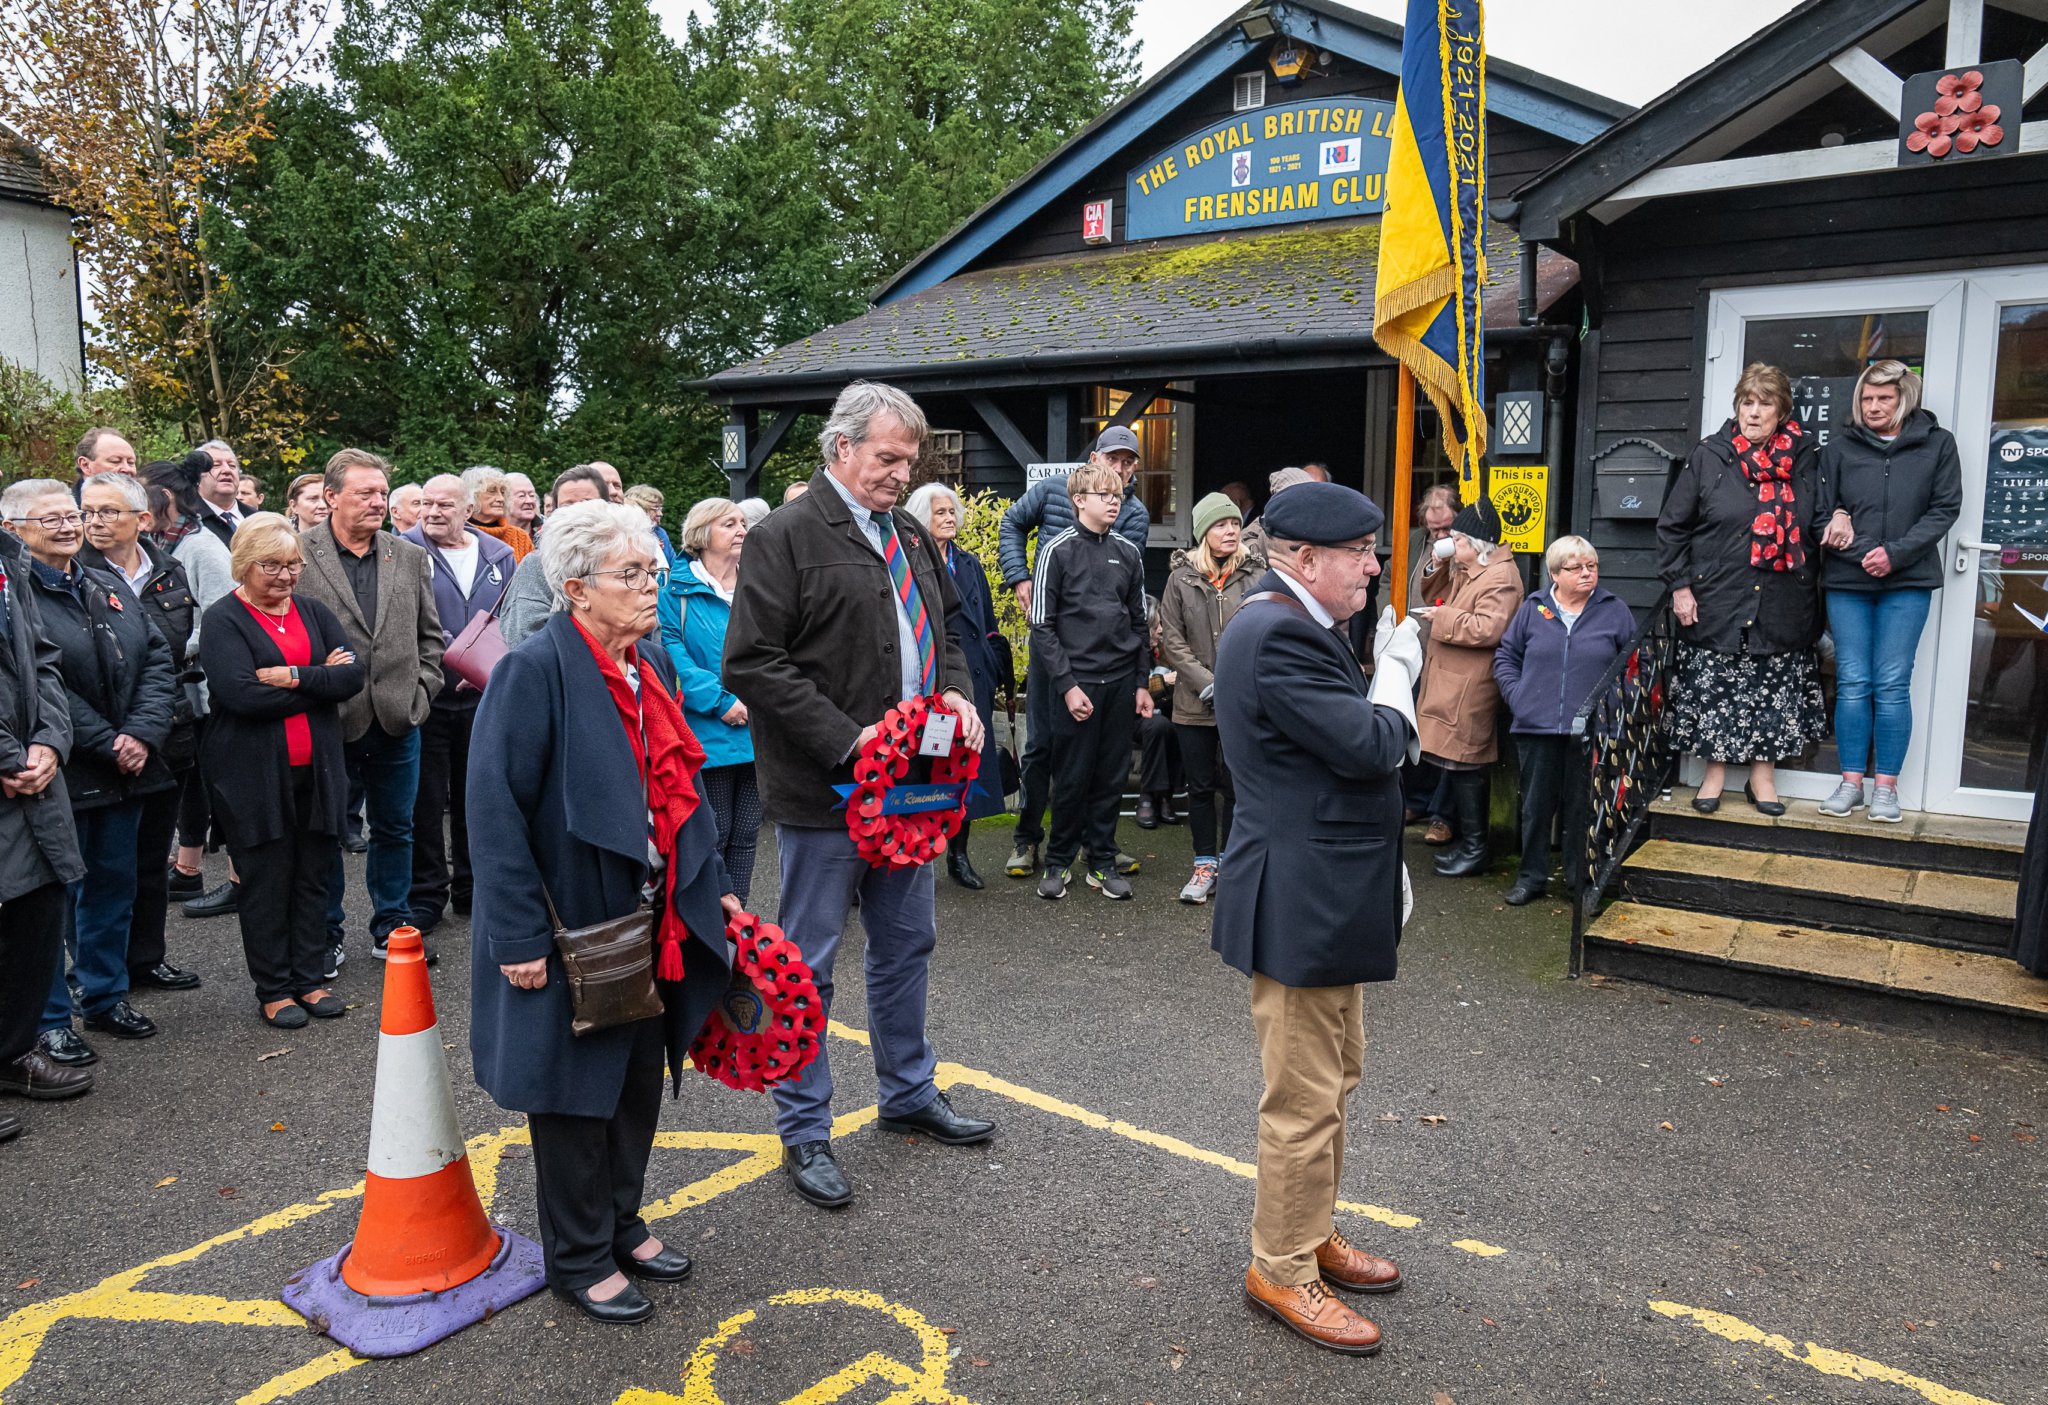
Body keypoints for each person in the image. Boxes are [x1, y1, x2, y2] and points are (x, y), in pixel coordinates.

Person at [725, 380, 995, 1210]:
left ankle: (908, 1091)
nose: (901, 473)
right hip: (823, 794)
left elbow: (945, 630)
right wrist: (852, 740)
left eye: (909, 460)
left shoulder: (907, 530)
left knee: (907, 942)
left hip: (911, 794)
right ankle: (805, 1128)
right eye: (888, 457)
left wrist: (955, 692)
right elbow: (752, 663)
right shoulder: (785, 535)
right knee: (806, 965)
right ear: (840, 448)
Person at [468, 500, 738, 1324]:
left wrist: (714, 881)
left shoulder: (646, 656)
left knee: (634, 1085)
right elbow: (494, 808)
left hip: (650, 921)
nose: (652, 585)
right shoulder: (535, 668)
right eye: (633, 574)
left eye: (652, 570)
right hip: (571, 924)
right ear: (577, 587)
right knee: (573, 1096)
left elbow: (681, 788)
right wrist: (516, 935)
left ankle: (622, 1221)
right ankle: (579, 1256)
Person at [1210, 481, 1421, 1357]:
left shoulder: (1297, 623)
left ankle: (1311, 1228)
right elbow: (1373, 745)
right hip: (1300, 895)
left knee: (1334, 1080)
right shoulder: (1277, 633)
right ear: (1302, 559)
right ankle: (1282, 1264)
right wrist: (1400, 669)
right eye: (1361, 553)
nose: (1375, 566)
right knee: (1302, 1099)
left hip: (1325, 889)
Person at [3, 479, 176, 1066]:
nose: (68, 525)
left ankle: (104, 995)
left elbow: (156, 657)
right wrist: (108, 740)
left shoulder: (101, 583)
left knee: (113, 888)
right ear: (13, 531)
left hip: (126, 768)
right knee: (51, 904)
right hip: (59, 772)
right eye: (48, 519)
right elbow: (47, 685)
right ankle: (50, 1021)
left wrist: (144, 732)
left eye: (71, 515)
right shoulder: (17, 595)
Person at [199, 514, 364, 1027]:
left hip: (318, 773)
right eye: (272, 565)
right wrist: (319, 684)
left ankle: (310, 980)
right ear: (244, 566)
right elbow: (239, 694)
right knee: (267, 881)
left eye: (293, 565)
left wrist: (293, 676)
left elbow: (353, 676)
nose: (285, 576)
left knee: (314, 877)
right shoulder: (223, 620)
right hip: (252, 776)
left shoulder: (313, 612)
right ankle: (275, 989)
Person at [296, 449, 445, 973]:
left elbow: (431, 635)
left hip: (398, 715)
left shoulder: (406, 555)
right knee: (329, 829)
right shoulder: (299, 553)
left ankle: (392, 926)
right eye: (366, 493)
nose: (378, 502)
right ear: (331, 497)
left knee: (396, 828)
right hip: (328, 717)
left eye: (382, 493)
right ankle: (326, 933)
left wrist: (422, 691)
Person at [1659, 363, 1827, 816]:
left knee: (1772, 683)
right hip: (1718, 593)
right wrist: (1680, 587)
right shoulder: (1710, 455)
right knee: (1716, 682)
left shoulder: (1807, 458)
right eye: (1746, 403)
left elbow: (1822, 516)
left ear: (1782, 412)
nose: (1753, 413)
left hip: (1783, 596)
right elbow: (1673, 526)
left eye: (1764, 404)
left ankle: (1762, 775)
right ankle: (1714, 772)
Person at [996, 425, 1150, 879]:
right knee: (1043, 745)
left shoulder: (1134, 514)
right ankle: (1027, 839)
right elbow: (1012, 523)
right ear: (1096, 457)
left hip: (1103, 658)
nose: (1120, 468)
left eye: (1128, 461)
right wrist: (1020, 576)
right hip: (1051, 645)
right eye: (1113, 458)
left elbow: (1121, 589)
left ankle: (1093, 844)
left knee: (1100, 756)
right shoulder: (1049, 490)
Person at [1815, 360, 1961, 822]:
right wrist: (1859, 547)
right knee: (1854, 681)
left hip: (1908, 581)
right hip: (1848, 581)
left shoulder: (1937, 445)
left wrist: (1894, 554)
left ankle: (1886, 789)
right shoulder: (1838, 448)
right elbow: (1819, 515)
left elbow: (1944, 510)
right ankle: (1851, 782)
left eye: (1884, 398)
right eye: (1867, 398)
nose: (1874, 406)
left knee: (1893, 683)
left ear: (1905, 399)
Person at [77, 474, 204, 991]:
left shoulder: (168, 571)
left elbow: (167, 657)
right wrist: (114, 737)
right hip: (97, 744)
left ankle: (146, 958)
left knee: (151, 859)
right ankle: (94, 975)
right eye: (88, 511)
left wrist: (144, 732)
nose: (94, 522)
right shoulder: (71, 574)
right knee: (98, 870)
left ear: (142, 520)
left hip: (162, 735)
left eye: (109, 511)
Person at [0, 525, 93, 1123]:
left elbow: (43, 660)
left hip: (35, 778)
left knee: (34, 916)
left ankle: (11, 1055)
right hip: (12, 769)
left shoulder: (12, 565)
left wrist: (51, 742)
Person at [1028, 464, 1153, 901]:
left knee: (1111, 776)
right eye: (1104, 494)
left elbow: (1140, 623)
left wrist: (1142, 683)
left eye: (1117, 494)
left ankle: (1101, 861)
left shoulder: (1129, 553)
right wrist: (1066, 685)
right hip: (1076, 684)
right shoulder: (1056, 551)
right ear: (1079, 500)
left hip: (1121, 683)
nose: (1114, 501)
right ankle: (1059, 860)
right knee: (1071, 775)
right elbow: (1041, 624)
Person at [1492, 536, 1636, 905]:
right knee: (1536, 807)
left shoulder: (1613, 610)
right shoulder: (1533, 608)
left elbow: (1634, 667)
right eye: (1576, 568)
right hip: (1537, 726)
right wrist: (1519, 696)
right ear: (1555, 574)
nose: (1587, 573)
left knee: (1583, 807)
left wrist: (1612, 709)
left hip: (1590, 730)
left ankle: (1580, 882)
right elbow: (1506, 656)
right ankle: (1531, 878)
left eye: (1592, 566)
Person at [400, 475, 516, 932]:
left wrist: (485, 661)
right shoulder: (403, 550)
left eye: (444, 504)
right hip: (428, 695)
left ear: (468, 509)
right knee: (425, 802)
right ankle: (427, 895)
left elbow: (511, 616)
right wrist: (454, 653)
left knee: (478, 796)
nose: (431, 512)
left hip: (484, 696)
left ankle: (473, 888)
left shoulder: (499, 554)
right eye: (425, 503)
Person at [143, 453, 237, 914]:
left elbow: (221, 617)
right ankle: (188, 871)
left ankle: (240, 879)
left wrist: (169, 649)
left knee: (218, 781)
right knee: (194, 783)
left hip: (203, 688)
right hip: (177, 687)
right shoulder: (161, 543)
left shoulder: (201, 548)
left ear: (164, 498)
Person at [1410, 498, 1523, 878]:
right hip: (1452, 680)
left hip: (1471, 685)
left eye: (1456, 538)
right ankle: (1470, 845)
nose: (1449, 543)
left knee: (1465, 764)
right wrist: (1436, 564)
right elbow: (1431, 593)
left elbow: (1489, 629)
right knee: (1455, 764)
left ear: (1478, 544)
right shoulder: (1469, 566)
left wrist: (1443, 617)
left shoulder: (1501, 578)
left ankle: (1476, 847)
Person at [656, 498, 761, 904]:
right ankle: (710, 924)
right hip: (706, 726)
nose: (741, 529)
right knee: (715, 828)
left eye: (742, 522)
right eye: (728, 523)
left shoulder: (760, 582)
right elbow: (672, 654)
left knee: (749, 830)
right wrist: (720, 702)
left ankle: (742, 928)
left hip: (760, 722)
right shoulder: (674, 590)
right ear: (701, 535)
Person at [1158, 491, 1260, 904]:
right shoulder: (1180, 578)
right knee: (1199, 787)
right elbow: (1171, 641)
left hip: (1244, 702)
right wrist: (1206, 681)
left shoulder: (1256, 573)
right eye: (1221, 525)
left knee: (1238, 786)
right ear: (1204, 533)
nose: (1231, 530)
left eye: (1234, 523)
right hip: (1193, 702)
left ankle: (1233, 863)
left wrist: (1235, 682)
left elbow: (1263, 628)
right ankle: (1204, 863)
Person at [907, 483, 1006, 889]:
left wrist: (996, 667)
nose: (949, 518)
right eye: (940, 512)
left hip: (972, 680)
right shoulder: (908, 564)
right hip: (931, 683)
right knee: (928, 766)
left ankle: (959, 856)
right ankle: (914, 854)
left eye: (952, 511)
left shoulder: (968, 564)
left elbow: (987, 624)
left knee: (964, 769)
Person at [1406, 485, 1462, 840]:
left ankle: (1443, 814)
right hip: (1411, 645)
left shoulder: (1468, 548)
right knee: (1411, 727)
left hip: (1448, 649)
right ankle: (1415, 799)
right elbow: (1389, 577)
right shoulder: (1414, 541)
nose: (1439, 535)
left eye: (1445, 528)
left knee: (1444, 734)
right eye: (1434, 529)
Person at [501, 466, 608, 646]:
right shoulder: (537, 565)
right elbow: (524, 636)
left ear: (607, 508)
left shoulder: (628, 561)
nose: (577, 512)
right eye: (568, 506)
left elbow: (649, 629)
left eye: (587, 503)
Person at [461, 465, 535, 562]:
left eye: (503, 492)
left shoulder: (520, 537)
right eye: (492, 491)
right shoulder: (456, 535)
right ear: (472, 495)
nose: (501, 498)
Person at [193, 439, 246, 546]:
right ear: (196, 476)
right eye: (216, 465)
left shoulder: (260, 518)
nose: (227, 470)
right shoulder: (188, 522)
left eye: (232, 466)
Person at [624, 485, 677, 564]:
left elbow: (675, 566)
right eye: (655, 508)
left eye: (660, 508)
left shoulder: (660, 533)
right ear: (640, 509)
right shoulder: (623, 534)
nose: (660, 514)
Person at [505, 472, 542, 537]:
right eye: (522, 496)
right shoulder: (492, 535)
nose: (529, 501)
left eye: (532, 495)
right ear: (505, 499)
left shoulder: (547, 534)